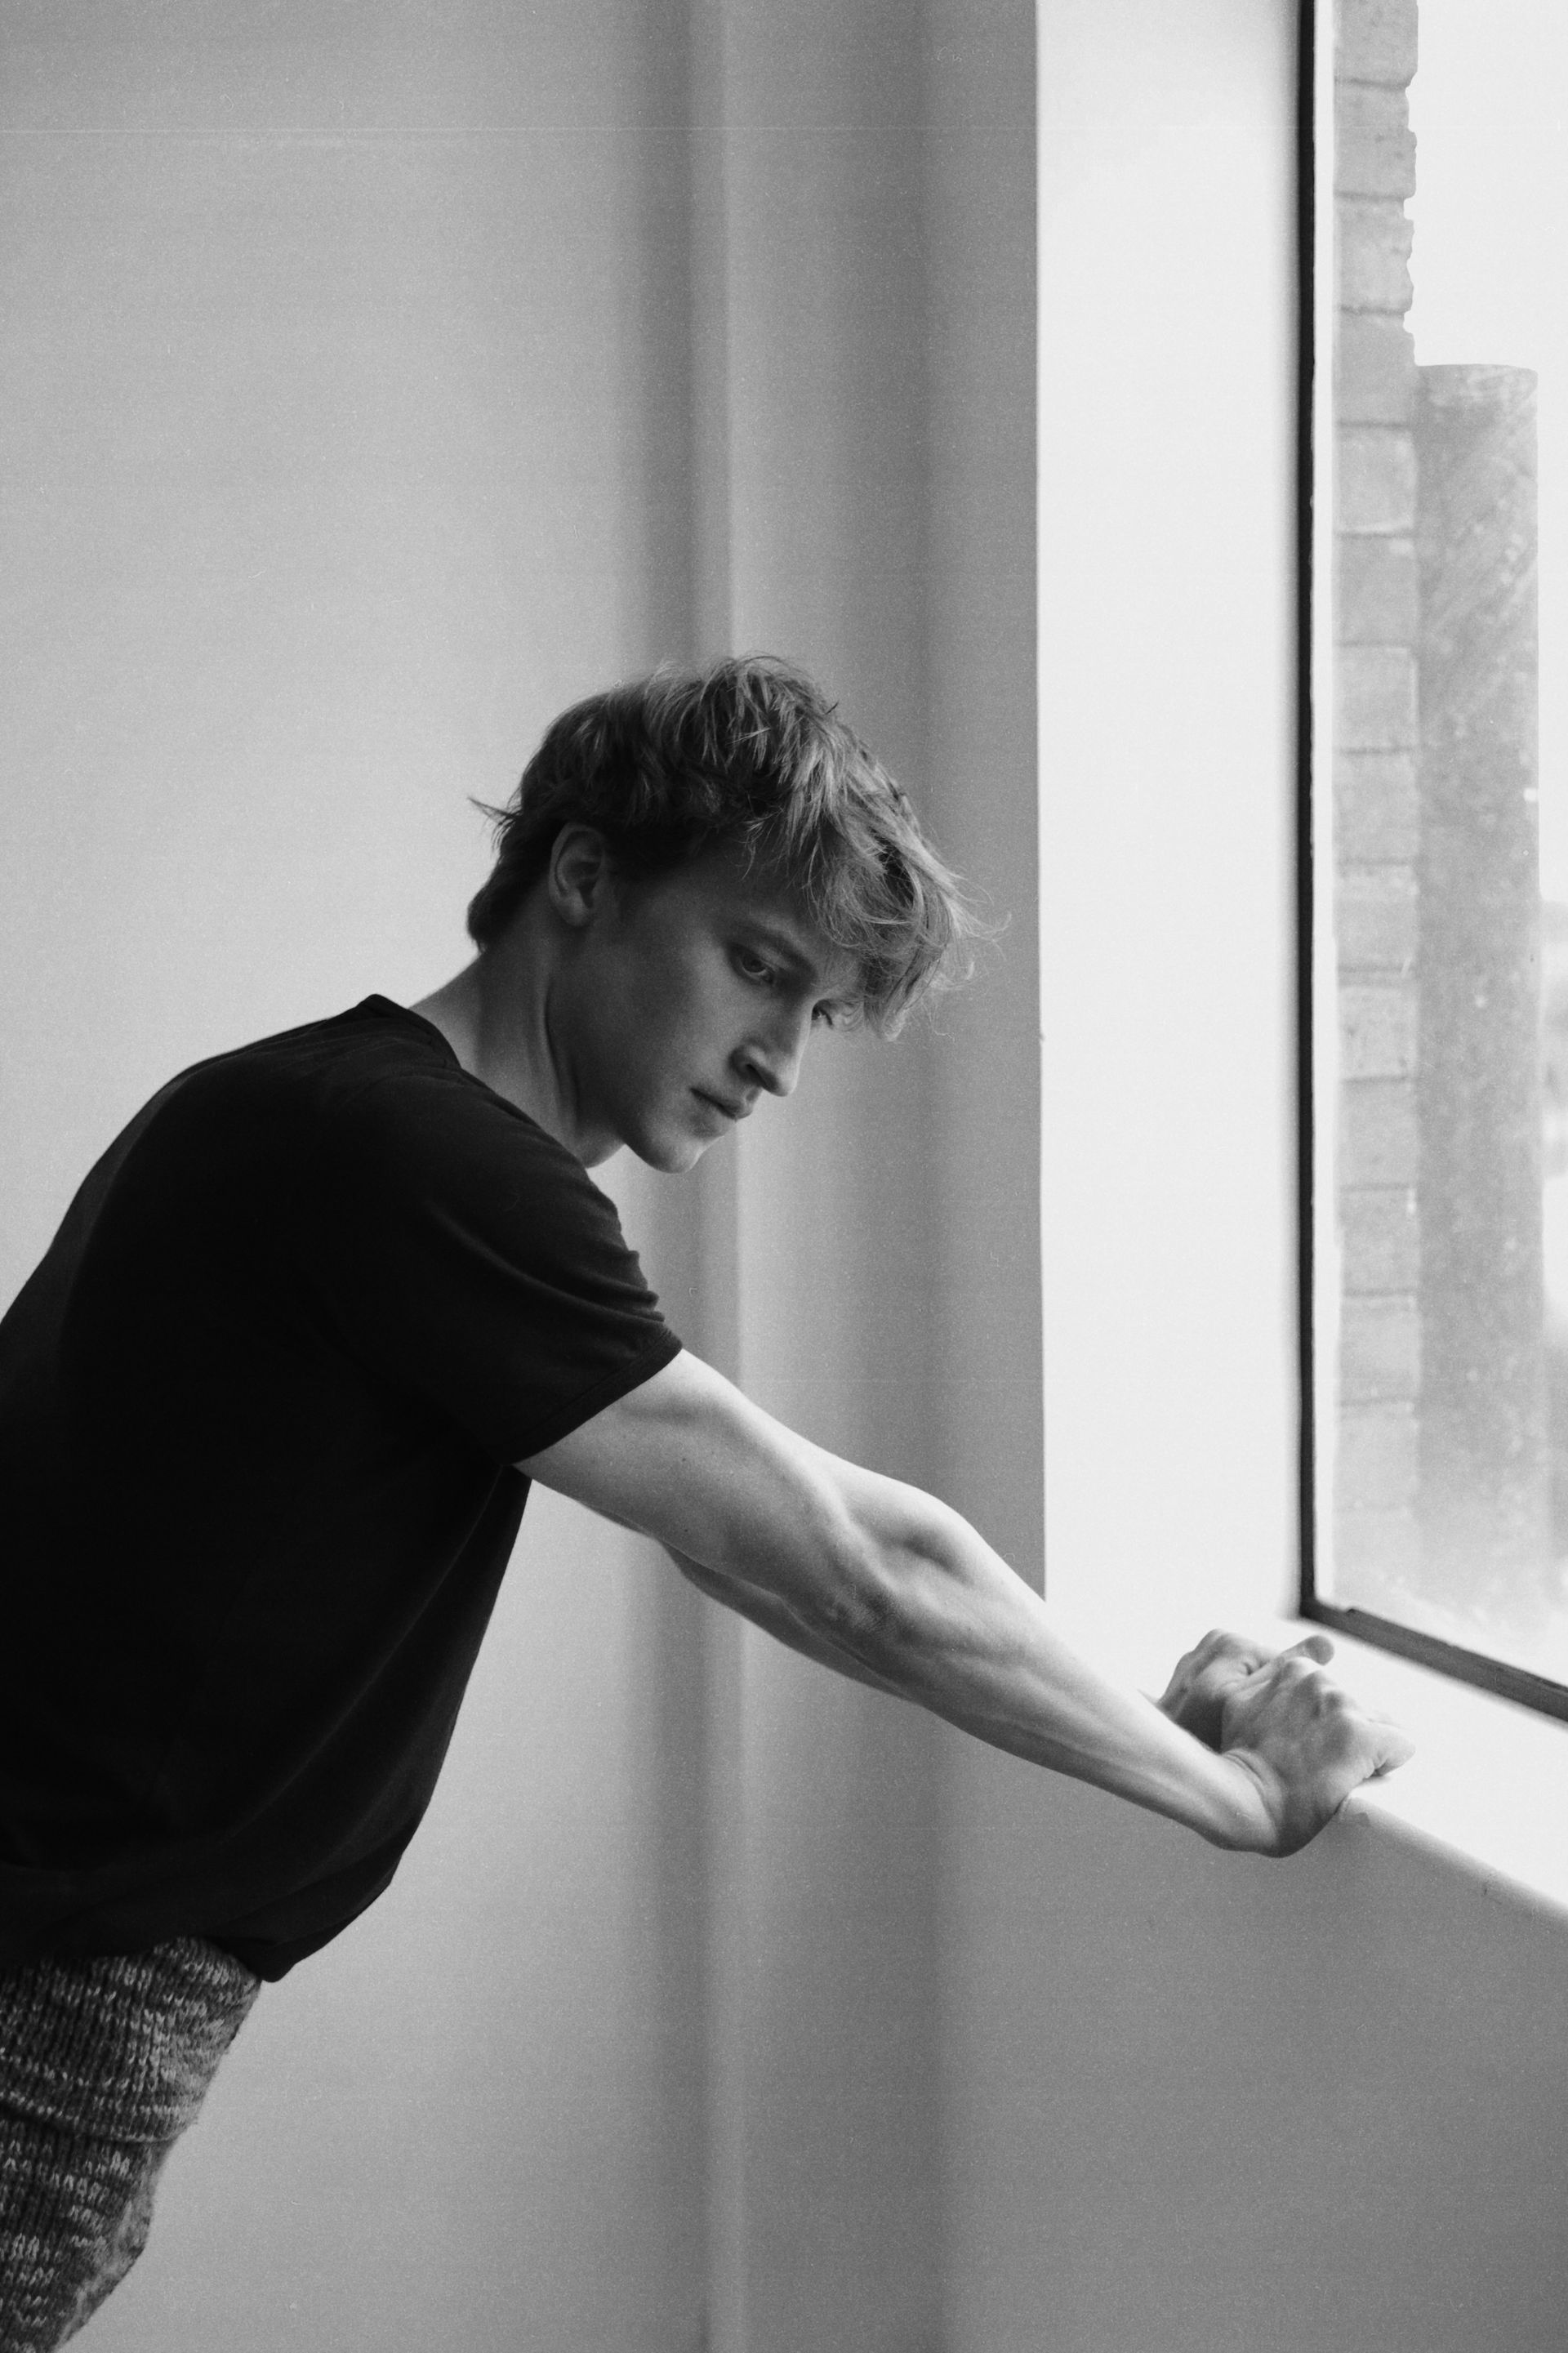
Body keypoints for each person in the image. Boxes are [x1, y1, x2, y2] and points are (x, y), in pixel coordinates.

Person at [0, 655, 1411, 2344]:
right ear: (582, 879)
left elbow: (736, 1543)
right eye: (758, 967)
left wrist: (1145, 1719)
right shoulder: (418, 1161)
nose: (778, 1064)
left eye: (815, 1013)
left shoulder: (317, 1111)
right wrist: (1234, 1797)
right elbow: (852, 1566)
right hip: (57, 1972)